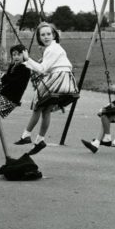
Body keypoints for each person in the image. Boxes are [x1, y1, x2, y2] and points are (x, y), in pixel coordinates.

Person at [16, 22, 76, 155]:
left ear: (54, 34)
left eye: (48, 34)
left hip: (59, 79)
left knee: (37, 104)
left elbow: (42, 69)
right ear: (39, 37)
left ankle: (26, 135)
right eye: (43, 35)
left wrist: (27, 59)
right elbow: (47, 68)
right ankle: (40, 140)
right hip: (67, 81)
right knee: (46, 109)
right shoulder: (56, 48)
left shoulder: (51, 48)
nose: (46, 37)